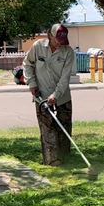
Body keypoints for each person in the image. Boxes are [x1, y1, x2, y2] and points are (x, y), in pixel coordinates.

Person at [23, 23, 74, 165]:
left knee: (64, 127)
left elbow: (65, 78)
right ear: (50, 36)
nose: (60, 43)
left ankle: (65, 157)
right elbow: (27, 64)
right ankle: (52, 161)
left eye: (63, 40)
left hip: (62, 96)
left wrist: (56, 95)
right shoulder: (38, 47)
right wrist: (32, 84)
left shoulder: (68, 52)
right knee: (47, 129)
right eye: (58, 40)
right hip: (42, 96)